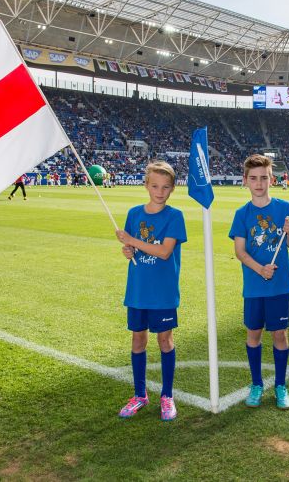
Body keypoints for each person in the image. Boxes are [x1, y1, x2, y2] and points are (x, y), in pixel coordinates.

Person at [115, 161, 187, 421]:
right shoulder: (134, 214)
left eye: (165, 187)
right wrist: (128, 251)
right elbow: (132, 251)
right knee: (138, 341)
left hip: (163, 292)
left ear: (172, 189)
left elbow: (165, 252)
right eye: (155, 186)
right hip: (138, 291)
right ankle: (139, 395)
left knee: (165, 341)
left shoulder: (174, 216)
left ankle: (167, 395)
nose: (160, 191)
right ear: (146, 185)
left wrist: (132, 241)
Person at [229, 154, 289, 410]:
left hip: (279, 285)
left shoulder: (284, 207)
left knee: (280, 334)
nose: (259, 183)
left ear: (272, 179)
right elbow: (240, 251)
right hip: (255, 285)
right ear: (245, 181)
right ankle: (257, 384)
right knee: (254, 334)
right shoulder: (241, 214)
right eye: (254, 178)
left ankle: (281, 385)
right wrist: (260, 270)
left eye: (264, 178)